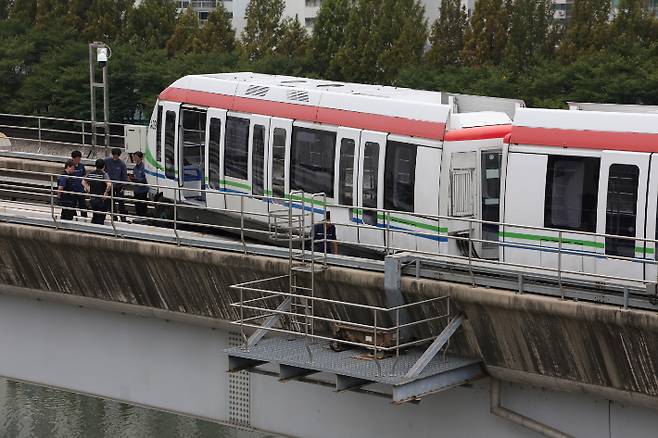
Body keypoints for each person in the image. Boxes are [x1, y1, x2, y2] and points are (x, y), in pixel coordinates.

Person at [82, 159, 112, 225]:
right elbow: (109, 184)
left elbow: (83, 182)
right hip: (101, 198)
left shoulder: (91, 173)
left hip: (93, 198)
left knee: (95, 214)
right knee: (101, 216)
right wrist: (105, 193)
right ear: (104, 166)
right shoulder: (104, 174)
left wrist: (89, 189)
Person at [104, 147, 128, 222]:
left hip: (118, 186)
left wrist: (123, 187)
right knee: (110, 203)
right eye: (114, 155)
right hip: (110, 185)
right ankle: (114, 217)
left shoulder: (122, 164)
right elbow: (103, 171)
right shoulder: (106, 161)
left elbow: (124, 176)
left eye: (117, 156)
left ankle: (123, 218)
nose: (115, 157)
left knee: (121, 202)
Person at [130, 151, 149, 216]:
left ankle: (143, 217)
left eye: (136, 157)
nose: (134, 159)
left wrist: (137, 180)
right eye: (133, 157)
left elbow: (145, 179)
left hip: (142, 190)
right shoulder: (135, 168)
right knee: (137, 205)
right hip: (136, 189)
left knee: (142, 205)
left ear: (140, 158)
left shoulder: (143, 167)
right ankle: (138, 216)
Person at [70, 150, 87, 217]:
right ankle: (74, 217)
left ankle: (84, 217)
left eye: (80, 158)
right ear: (73, 158)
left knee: (82, 205)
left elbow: (84, 175)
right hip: (73, 189)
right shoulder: (70, 166)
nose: (79, 159)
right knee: (72, 204)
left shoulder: (81, 166)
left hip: (81, 189)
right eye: (78, 158)